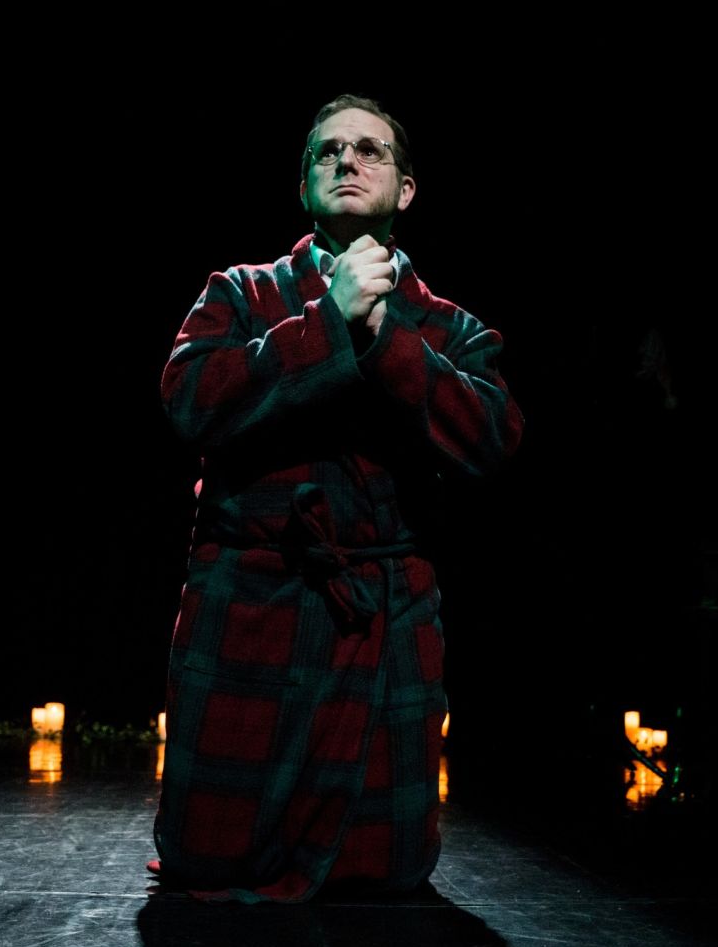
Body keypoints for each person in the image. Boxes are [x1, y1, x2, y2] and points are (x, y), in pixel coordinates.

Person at [152, 95, 523, 902]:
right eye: (328, 152)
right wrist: (327, 323)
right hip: (252, 604)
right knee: (210, 853)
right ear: (304, 186)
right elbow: (190, 399)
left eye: (369, 150)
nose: (347, 161)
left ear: (406, 189)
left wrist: (383, 335)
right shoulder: (241, 293)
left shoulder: (449, 328)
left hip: (383, 617)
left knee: (386, 867)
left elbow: (492, 438)